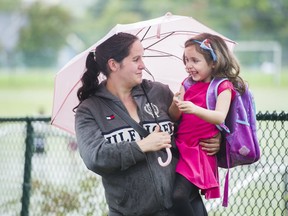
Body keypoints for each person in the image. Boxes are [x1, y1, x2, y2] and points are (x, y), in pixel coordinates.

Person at [74, 32, 221, 216]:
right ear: (113, 65)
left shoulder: (159, 93)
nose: (142, 65)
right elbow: (95, 158)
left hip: (184, 207)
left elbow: (192, 130)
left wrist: (217, 141)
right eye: (136, 59)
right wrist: (142, 145)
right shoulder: (90, 110)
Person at [169, 33, 246, 216]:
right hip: (181, 146)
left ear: (213, 62)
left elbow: (219, 117)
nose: (189, 66)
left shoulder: (222, 86)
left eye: (195, 60)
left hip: (198, 151)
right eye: (186, 60)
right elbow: (174, 116)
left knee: (179, 196)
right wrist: (175, 104)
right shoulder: (186, 84)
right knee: (190, 197)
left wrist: (194, 109)